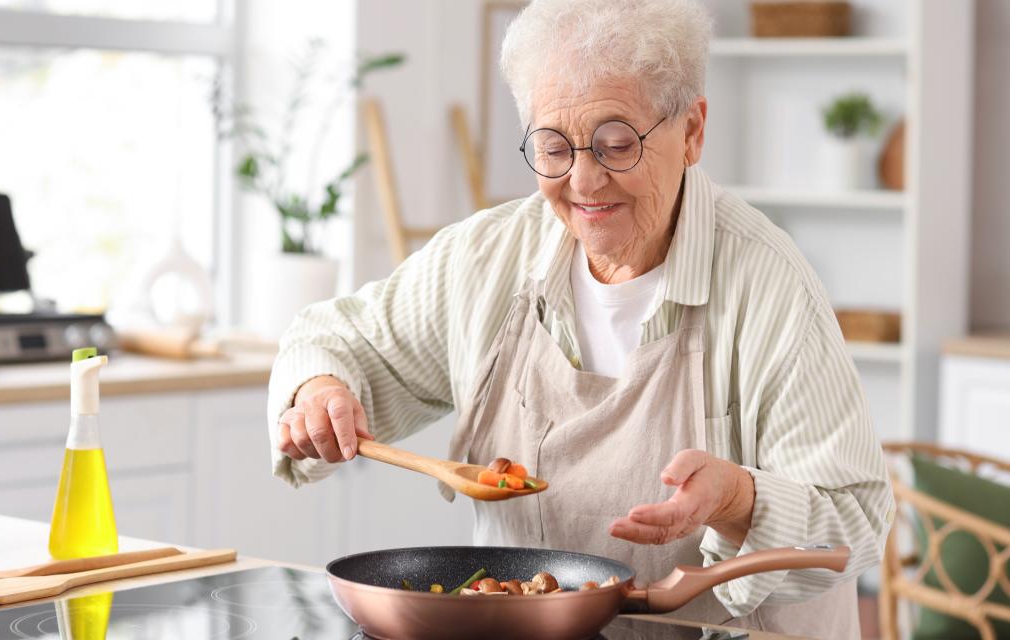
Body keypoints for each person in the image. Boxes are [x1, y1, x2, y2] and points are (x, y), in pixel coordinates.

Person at [268, 0, 893, 635]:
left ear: (693, 131)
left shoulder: (769, 285)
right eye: (553, 146)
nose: (583, 180)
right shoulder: (488, 258)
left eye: (617, 144)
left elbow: (857, 526)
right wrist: (319, 391)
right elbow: (333, 340)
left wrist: (739, 501)